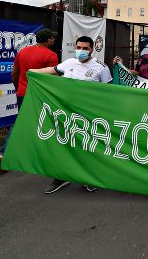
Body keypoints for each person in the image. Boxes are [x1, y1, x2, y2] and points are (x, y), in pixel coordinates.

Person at [31, 36, 112, 194]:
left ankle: (89, 178)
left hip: (89, 115)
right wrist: (32, 72)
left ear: (92, 49)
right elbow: (51, 70)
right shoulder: (69, 63)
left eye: (85, 48)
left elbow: (109, 92)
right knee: (63, 145)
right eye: (78, 47)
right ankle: (61, 177)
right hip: (65, 113)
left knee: (87, 147)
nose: (81, 51)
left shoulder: (101, 68)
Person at [0, 28, 59, 174]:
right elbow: (53, 80)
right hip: (41, 95)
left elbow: (14, 73)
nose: (54, 40)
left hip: (23, 93)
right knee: (46, 123)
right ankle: (44, 156)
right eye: (52, 38)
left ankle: (4, 154)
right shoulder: (51, 55)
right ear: (48, 40)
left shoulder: (22, 52)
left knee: (21, 122)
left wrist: (18, 88)